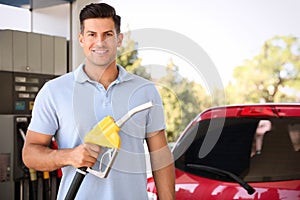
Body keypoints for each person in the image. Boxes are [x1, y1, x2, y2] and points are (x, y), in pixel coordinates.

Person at [22, 3, 175, 200]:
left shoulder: (145, 91)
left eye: (108, 34)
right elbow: (30, 154)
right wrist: (69, 156)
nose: (100, 42)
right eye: (92, 34)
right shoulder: (55, 91)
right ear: (81, 39)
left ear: (119, 39)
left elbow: (160, 157)